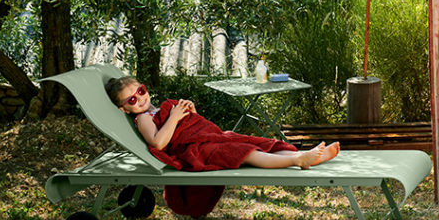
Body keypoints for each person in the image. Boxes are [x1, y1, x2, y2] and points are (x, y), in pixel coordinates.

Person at [105, 76, 339, 171]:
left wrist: (189, 113)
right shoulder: (143, 118)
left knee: (241, 140)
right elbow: (158, 143)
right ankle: (298, 159)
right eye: (133, 100)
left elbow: (188, 127)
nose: (141, 98)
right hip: (194, 151)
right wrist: (175, 118)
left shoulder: (153, 110)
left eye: (141, 90)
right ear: (124, 108)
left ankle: (305, 155)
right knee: (242, 151)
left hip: (201, 140)